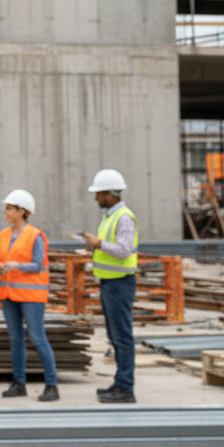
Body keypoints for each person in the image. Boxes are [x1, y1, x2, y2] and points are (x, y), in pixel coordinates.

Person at [80, 169, 138, 404]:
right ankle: (120, 382)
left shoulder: (123, 217)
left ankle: (125, 387)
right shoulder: (109, 217)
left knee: (122, 336)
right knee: (115, 336)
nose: (96, 197)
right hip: (110, 282)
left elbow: (123, 251)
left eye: (99, 193)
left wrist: (99, 243)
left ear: (109, 193)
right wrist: (95, 246)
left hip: (120, 284)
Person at [0, 189, 59, 401]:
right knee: (15, 339)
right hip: (9, 294)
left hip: (31, 295)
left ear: (21, 211)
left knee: (38, 338)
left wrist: (16, 265)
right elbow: (1, 259)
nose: (5, 211)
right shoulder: (4, 235)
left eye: (9, 208)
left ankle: (51, 385)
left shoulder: (35, 236)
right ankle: (18, 383)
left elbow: (38, 264)